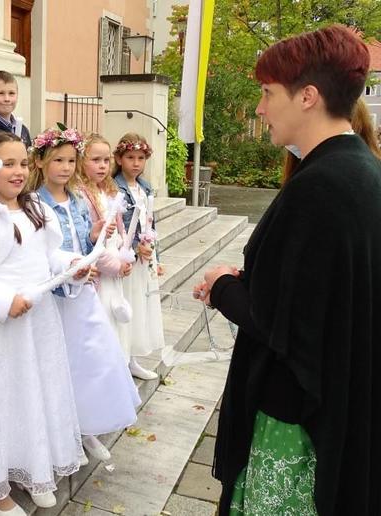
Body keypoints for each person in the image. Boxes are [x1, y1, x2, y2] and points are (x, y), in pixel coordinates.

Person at [194, 25, 381, 515]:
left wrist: (221, 285)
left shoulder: (319, 188)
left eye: (267, 92)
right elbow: (317, 295)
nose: (260, 108)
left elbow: (283, 326)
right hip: (340, 402)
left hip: (296, 418)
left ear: (307, 97)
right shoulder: (361, 171)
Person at [0, 131, 83, 515]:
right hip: (1, 329)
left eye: (23, 163)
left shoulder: (34, 208)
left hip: (38, 320)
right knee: (3, 397)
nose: (18, 171)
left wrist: (71, 265)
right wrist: (2, 301)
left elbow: (48, 255)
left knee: (35, 393)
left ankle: (32, 465)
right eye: (7, 164)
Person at [29, 126, 140, 468]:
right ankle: (60, 428)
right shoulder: (35, 203)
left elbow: (83, 240)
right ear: (41, 162)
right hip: (58, 294)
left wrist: (94, 237)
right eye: (57, 160)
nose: (65, 167)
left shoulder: (77, 199)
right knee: (60, 363)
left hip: (84, 292)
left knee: (91, 359)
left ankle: (86, 424)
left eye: (69, 161)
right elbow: (44, 251)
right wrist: (73, 269)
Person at [113, 133, 166, 380]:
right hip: (128, 257)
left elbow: (150, 223)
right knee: (128, 304)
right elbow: (119, 226)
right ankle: (122, 358)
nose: (136, 163)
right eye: (130, 157)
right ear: (119, 159)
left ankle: (132, 358)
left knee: (141, 306)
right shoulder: (116, 187)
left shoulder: (145, 187)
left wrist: (156, 256)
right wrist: (134, 249)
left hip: (146, 256)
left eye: (141, 158)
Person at [77, 133, 134, 346]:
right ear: (81, 162)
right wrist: (115, 266)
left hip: (116, 260)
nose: (102, 166)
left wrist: (126, 256)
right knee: (103, 319)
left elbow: (121, 230)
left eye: (106, 160)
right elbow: (90, 240)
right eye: (95, 160)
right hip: (102, 268)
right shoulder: (81, 194)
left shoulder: (109, 190)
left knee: (116, 316)